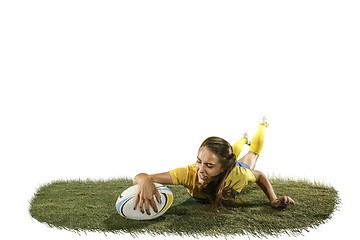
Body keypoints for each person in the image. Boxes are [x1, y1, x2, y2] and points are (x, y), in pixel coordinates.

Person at [133, 117, 295, 214]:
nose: (200, 170)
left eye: (209, 165)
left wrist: (273, 199)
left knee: (253, 155)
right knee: (231, 150)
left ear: (224, 168)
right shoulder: (188, 174)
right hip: (225, 164)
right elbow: (141, 178)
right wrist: (145, 179)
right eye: (199, 161)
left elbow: (260, 176)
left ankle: (263, 123)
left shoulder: (239, 174)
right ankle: (244, 138)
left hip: (234, 168)